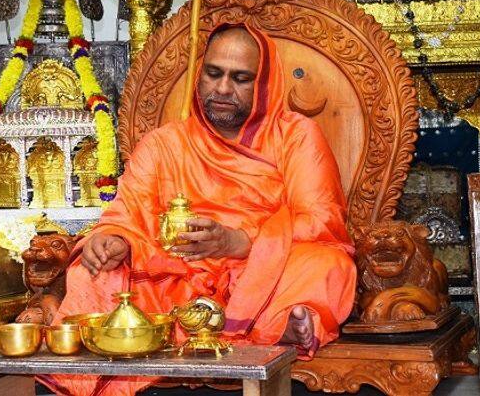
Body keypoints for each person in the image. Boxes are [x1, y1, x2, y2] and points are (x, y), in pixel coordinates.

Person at [42, 24, 357, 395]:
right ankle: (262, 328)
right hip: (180, 276)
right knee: (93, 271)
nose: (223, 89)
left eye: (240, 78)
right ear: (199, 73)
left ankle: (278, 324)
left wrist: (242, 242)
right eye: (214, 73)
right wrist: (113, 240)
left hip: (262, 272)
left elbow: (321, 220)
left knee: (328, 265)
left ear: (264, 84)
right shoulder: (164, 144)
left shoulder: (297, 136)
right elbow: (125, 215)